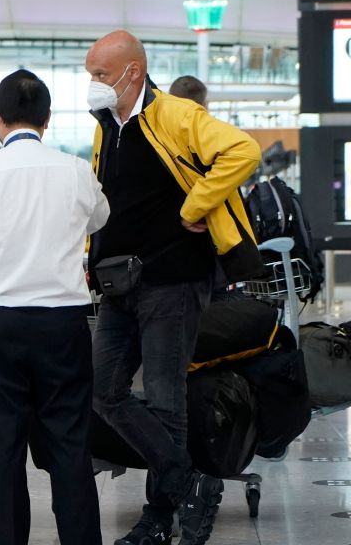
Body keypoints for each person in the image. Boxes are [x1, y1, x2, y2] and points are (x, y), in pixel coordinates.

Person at [85, 31, 262, 545]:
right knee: (103, 389)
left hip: (173, 281)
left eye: (100, 73)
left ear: (132, 72)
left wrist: (193, 208)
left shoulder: (175, 115)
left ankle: (158, 517)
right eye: (91, 73)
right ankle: (190, 482)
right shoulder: (106, 127)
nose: (93, 83)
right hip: (121, 283)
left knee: (166, 401)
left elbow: (241, 150)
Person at [0, 70, 110, 545]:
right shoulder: (74, 171)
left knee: (2, 446)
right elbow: (100, 218)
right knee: (70, 444)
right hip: (63, 323)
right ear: (47, 120)